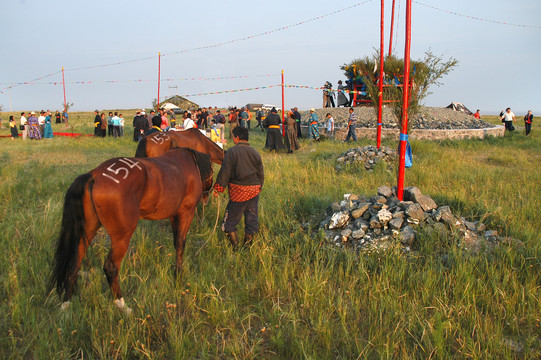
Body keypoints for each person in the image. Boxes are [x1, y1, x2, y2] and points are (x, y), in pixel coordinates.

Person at [213, 126, 264, 249]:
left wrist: (218, 188)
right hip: (253, 191)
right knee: (251, 220)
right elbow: (261, 174)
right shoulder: (255, 152)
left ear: (237, 138)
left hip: (238, 192)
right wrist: (258, 188)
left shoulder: (231, 152)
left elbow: (225, 172)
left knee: (229, 222)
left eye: (233, 137)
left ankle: (236, 249)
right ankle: (247, 247)